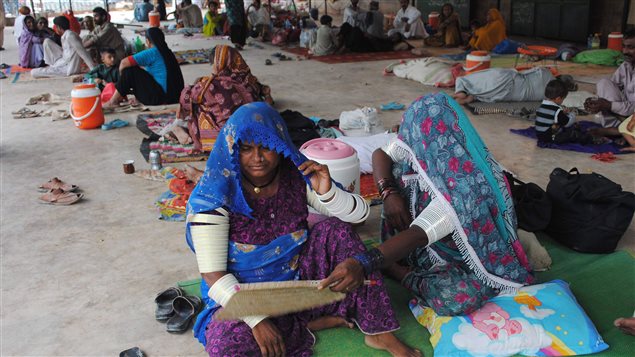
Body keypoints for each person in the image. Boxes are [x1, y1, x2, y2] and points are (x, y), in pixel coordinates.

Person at [185, 102, 422, 357]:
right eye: (246, 149)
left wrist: (328, 192)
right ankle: (302, 324)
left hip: (298, 283)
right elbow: (213, 275)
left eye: (266, 146)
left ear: (280, 144)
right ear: (232, 148)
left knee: (336, 231)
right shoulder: (214, 194)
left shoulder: (296, 174)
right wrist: (257, 320)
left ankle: (379, 333)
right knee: (227, 346)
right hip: (243, 295)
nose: (257, 158)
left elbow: (360, 214)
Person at [325, 92, 533, 318]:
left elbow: (418, 233)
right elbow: (381, 154)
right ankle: (397, 255)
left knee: (457, 298)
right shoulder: (428, 141)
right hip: (426, 241)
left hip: (463, 257)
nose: (408, 138)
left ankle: (399, 271)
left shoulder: (465, 188)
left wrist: (364, 262)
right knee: (397, 171)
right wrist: (388, 193)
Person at [178, 45, 273, 151]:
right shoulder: (250, 80)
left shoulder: (211, 86)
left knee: (197, 107)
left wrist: (193, 86)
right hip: (255, 131)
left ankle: (199, 138)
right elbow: (264, 92)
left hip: (227, 137)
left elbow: (185, 100)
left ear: (217, 63)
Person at [103, 27, 184, 107]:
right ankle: (123, 96)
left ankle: (113, 101)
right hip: (174, 97)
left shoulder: (153, 52)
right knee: (139, 71)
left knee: (130, 71)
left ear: (148, 41)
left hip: (161, 98)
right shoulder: (168, 52)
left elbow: (124, 63)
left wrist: (122, 81)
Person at [585, 29, 635, 128]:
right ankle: (617, 128)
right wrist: (596, 102)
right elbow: (611, 87)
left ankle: (622, 131)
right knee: (604, 83)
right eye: (624, 46)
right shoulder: (626, 65)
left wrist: (609, 105)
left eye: (630, 47)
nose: (625, 51)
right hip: (625, 113)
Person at [32, 16, 96, 78]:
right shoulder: (65, 35)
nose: (55, 29)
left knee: (34, 72)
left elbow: (83, 52)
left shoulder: (70, 36)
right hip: (63, 61)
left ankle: (54, 68)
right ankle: (53, 66)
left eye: (56, 27)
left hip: (68, 68)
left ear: (59, 27)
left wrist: (93, 69)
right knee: (47, 41)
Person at [453, 67, 555, 104]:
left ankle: (461, 87)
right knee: (489, 92)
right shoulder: (548, 96)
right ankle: (471, 96)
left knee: (481, 78)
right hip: (509, 94)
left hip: (509, 78)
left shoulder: (545, 72)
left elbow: (525, 72)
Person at [535, 80, 591, 145]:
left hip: (540, 135)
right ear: (558, 99)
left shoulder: (541, 106)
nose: (562, 101)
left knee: (561, 127)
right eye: (563, 99)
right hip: (551, 137)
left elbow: (551, 118)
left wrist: (563, 114)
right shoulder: (556, 110)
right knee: (571, 134)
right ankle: (589, 138)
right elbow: (568, 123)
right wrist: (572, 114)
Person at [339, 22, 403, 53]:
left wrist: (371, 37)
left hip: (366, 46)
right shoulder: (385, 38)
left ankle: (344, 45)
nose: (392, 36)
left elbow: (379, 48)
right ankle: (342, 39)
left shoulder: (389, 44)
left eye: (395, 36)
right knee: (348, 26)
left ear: (395, 41)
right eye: (393, 34)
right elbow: (377, 39)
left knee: (356, 30)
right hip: (365, 40)